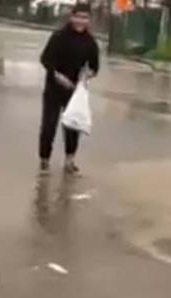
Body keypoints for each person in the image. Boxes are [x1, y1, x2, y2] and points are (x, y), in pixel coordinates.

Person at [38, 4, 99, 175]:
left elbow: (94, 67)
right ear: (71, 17)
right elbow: (45, 59)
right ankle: (44, 160)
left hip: (74, 91)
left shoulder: (90, 42)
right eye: (78, 17)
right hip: (54, 88)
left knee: (73, 126)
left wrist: (87, 75)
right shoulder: (59, 37)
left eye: (84, 18)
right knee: (49, 125)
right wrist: (57, 76)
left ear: (89, 20)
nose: (80, 21)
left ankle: (69, 160)